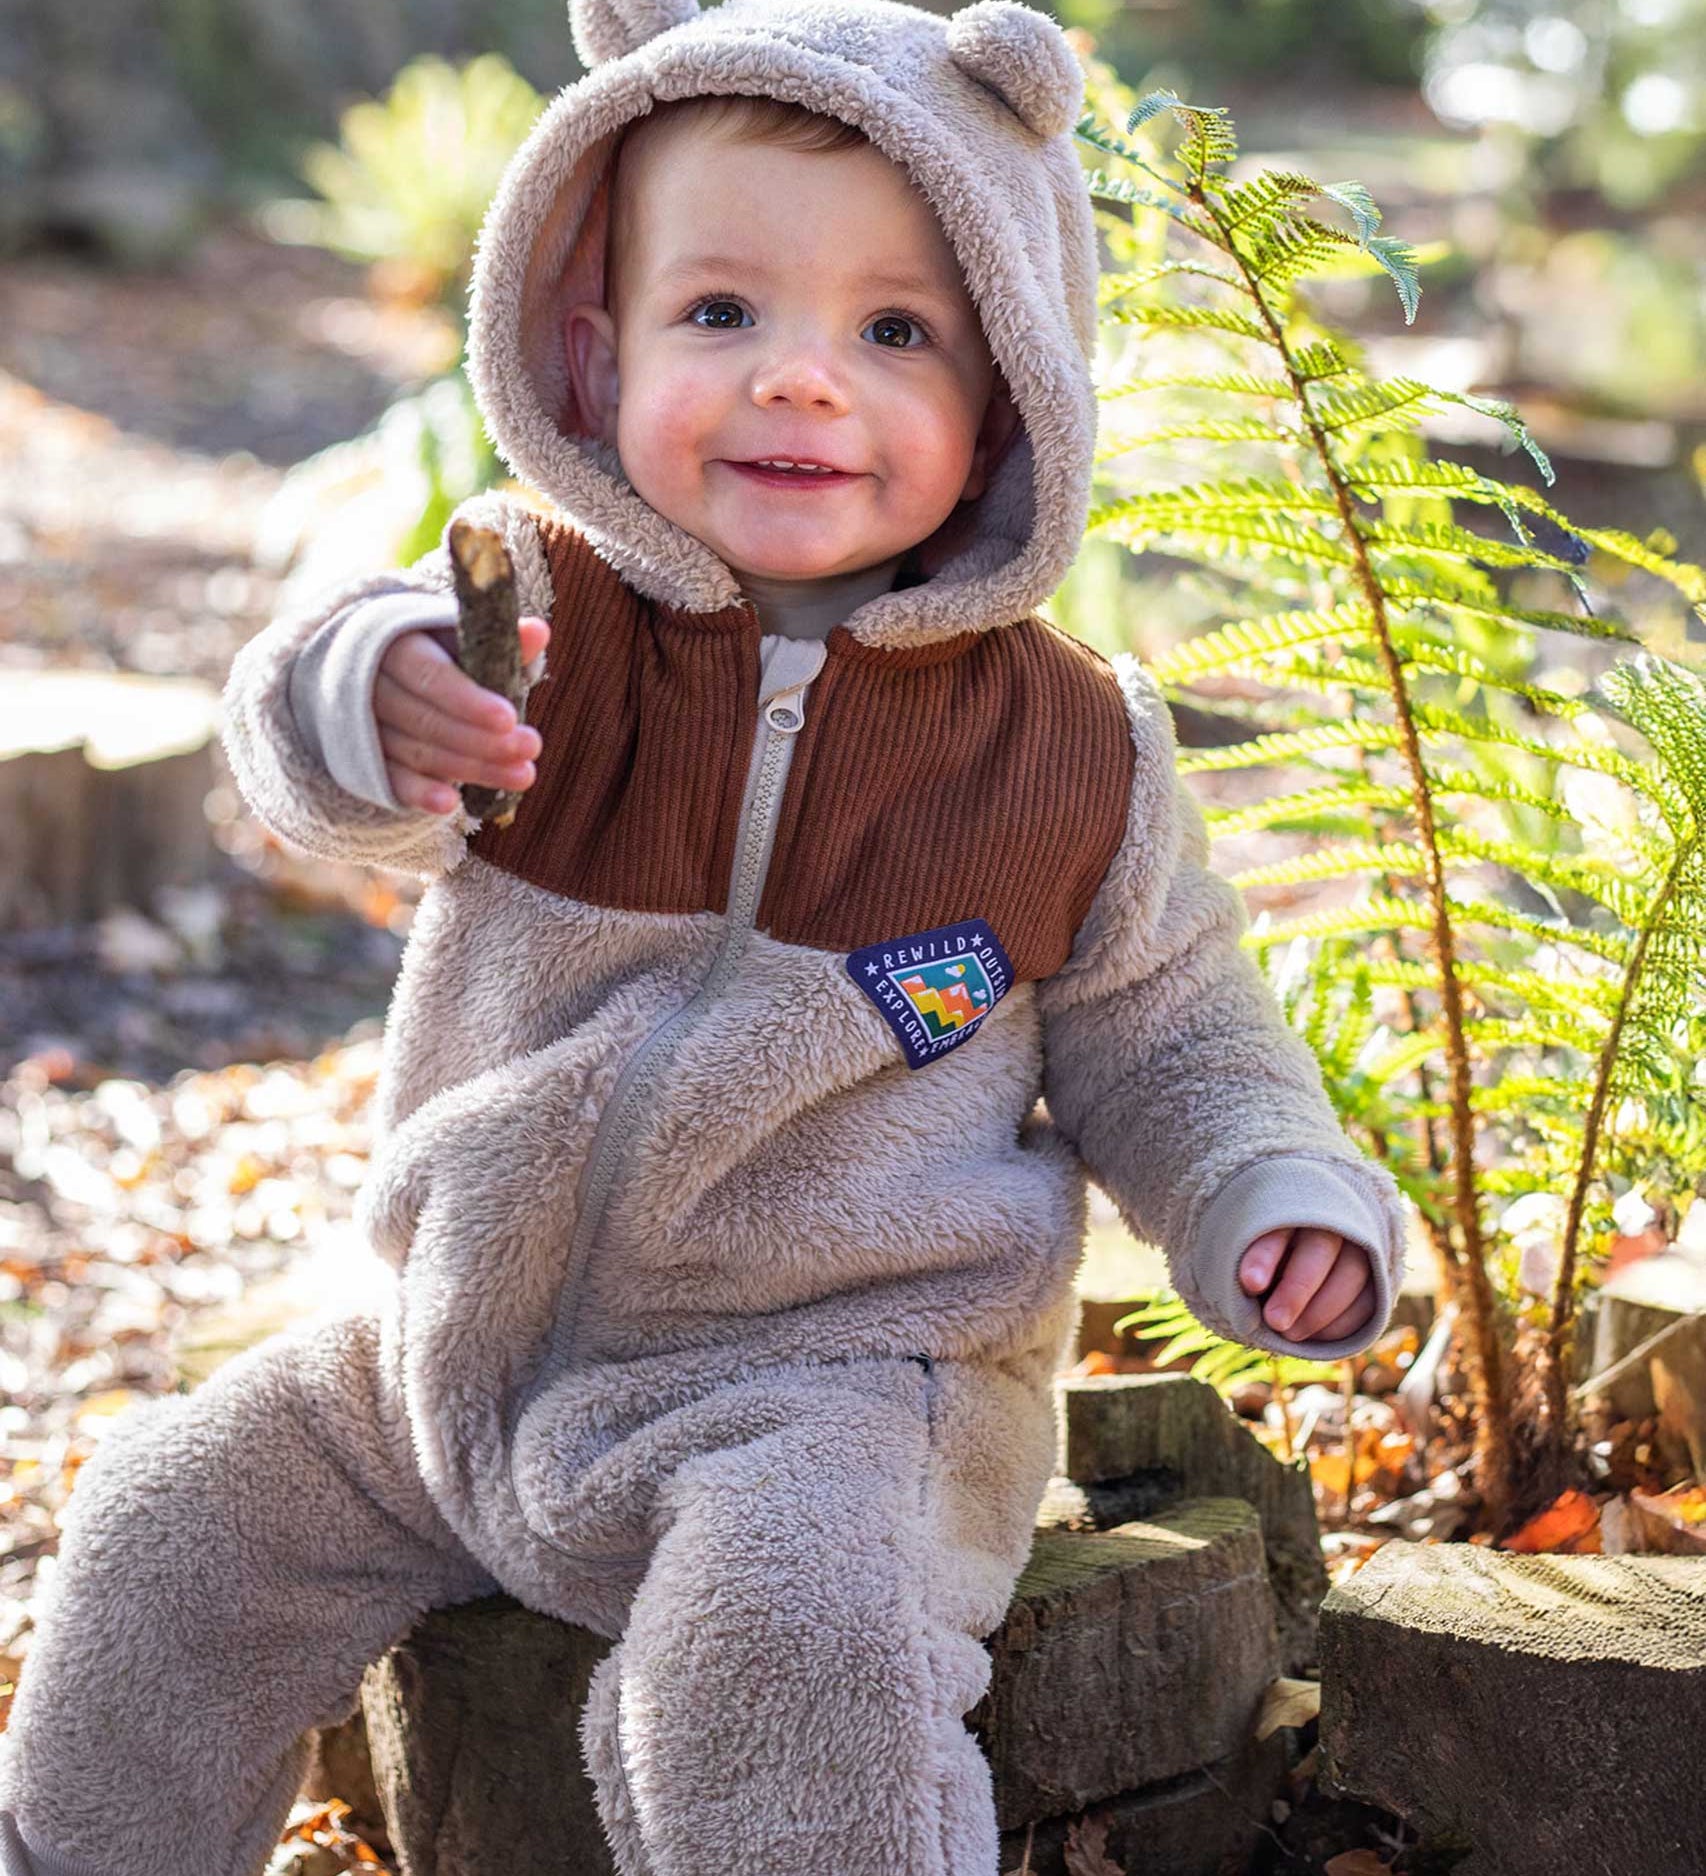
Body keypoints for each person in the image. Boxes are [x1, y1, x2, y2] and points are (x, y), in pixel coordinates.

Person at [0, 1, 1407, 1871]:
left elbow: (1179, 1039)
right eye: (722, 312)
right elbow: (302, 761)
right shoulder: (529, 614)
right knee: (171, 1517)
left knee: (787, 1662)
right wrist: (373, 697)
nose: (801, 382)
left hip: (839, 1389)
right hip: (448, 1355)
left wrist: (1270, 1193)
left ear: (1013, 399)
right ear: (594, 350)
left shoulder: (1067, 748)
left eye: (894, 332)